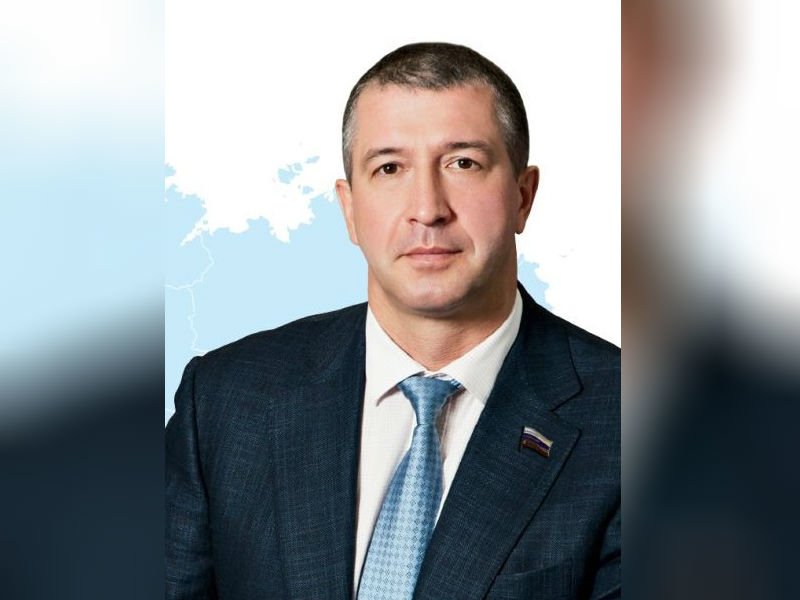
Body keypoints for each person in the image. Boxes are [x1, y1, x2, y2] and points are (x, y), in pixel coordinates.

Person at [166, 42, 620, 600]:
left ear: (522, 197)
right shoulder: (224, 401)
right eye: (389, 168)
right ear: (349, 208)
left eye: (463, 163)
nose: (427, 208)